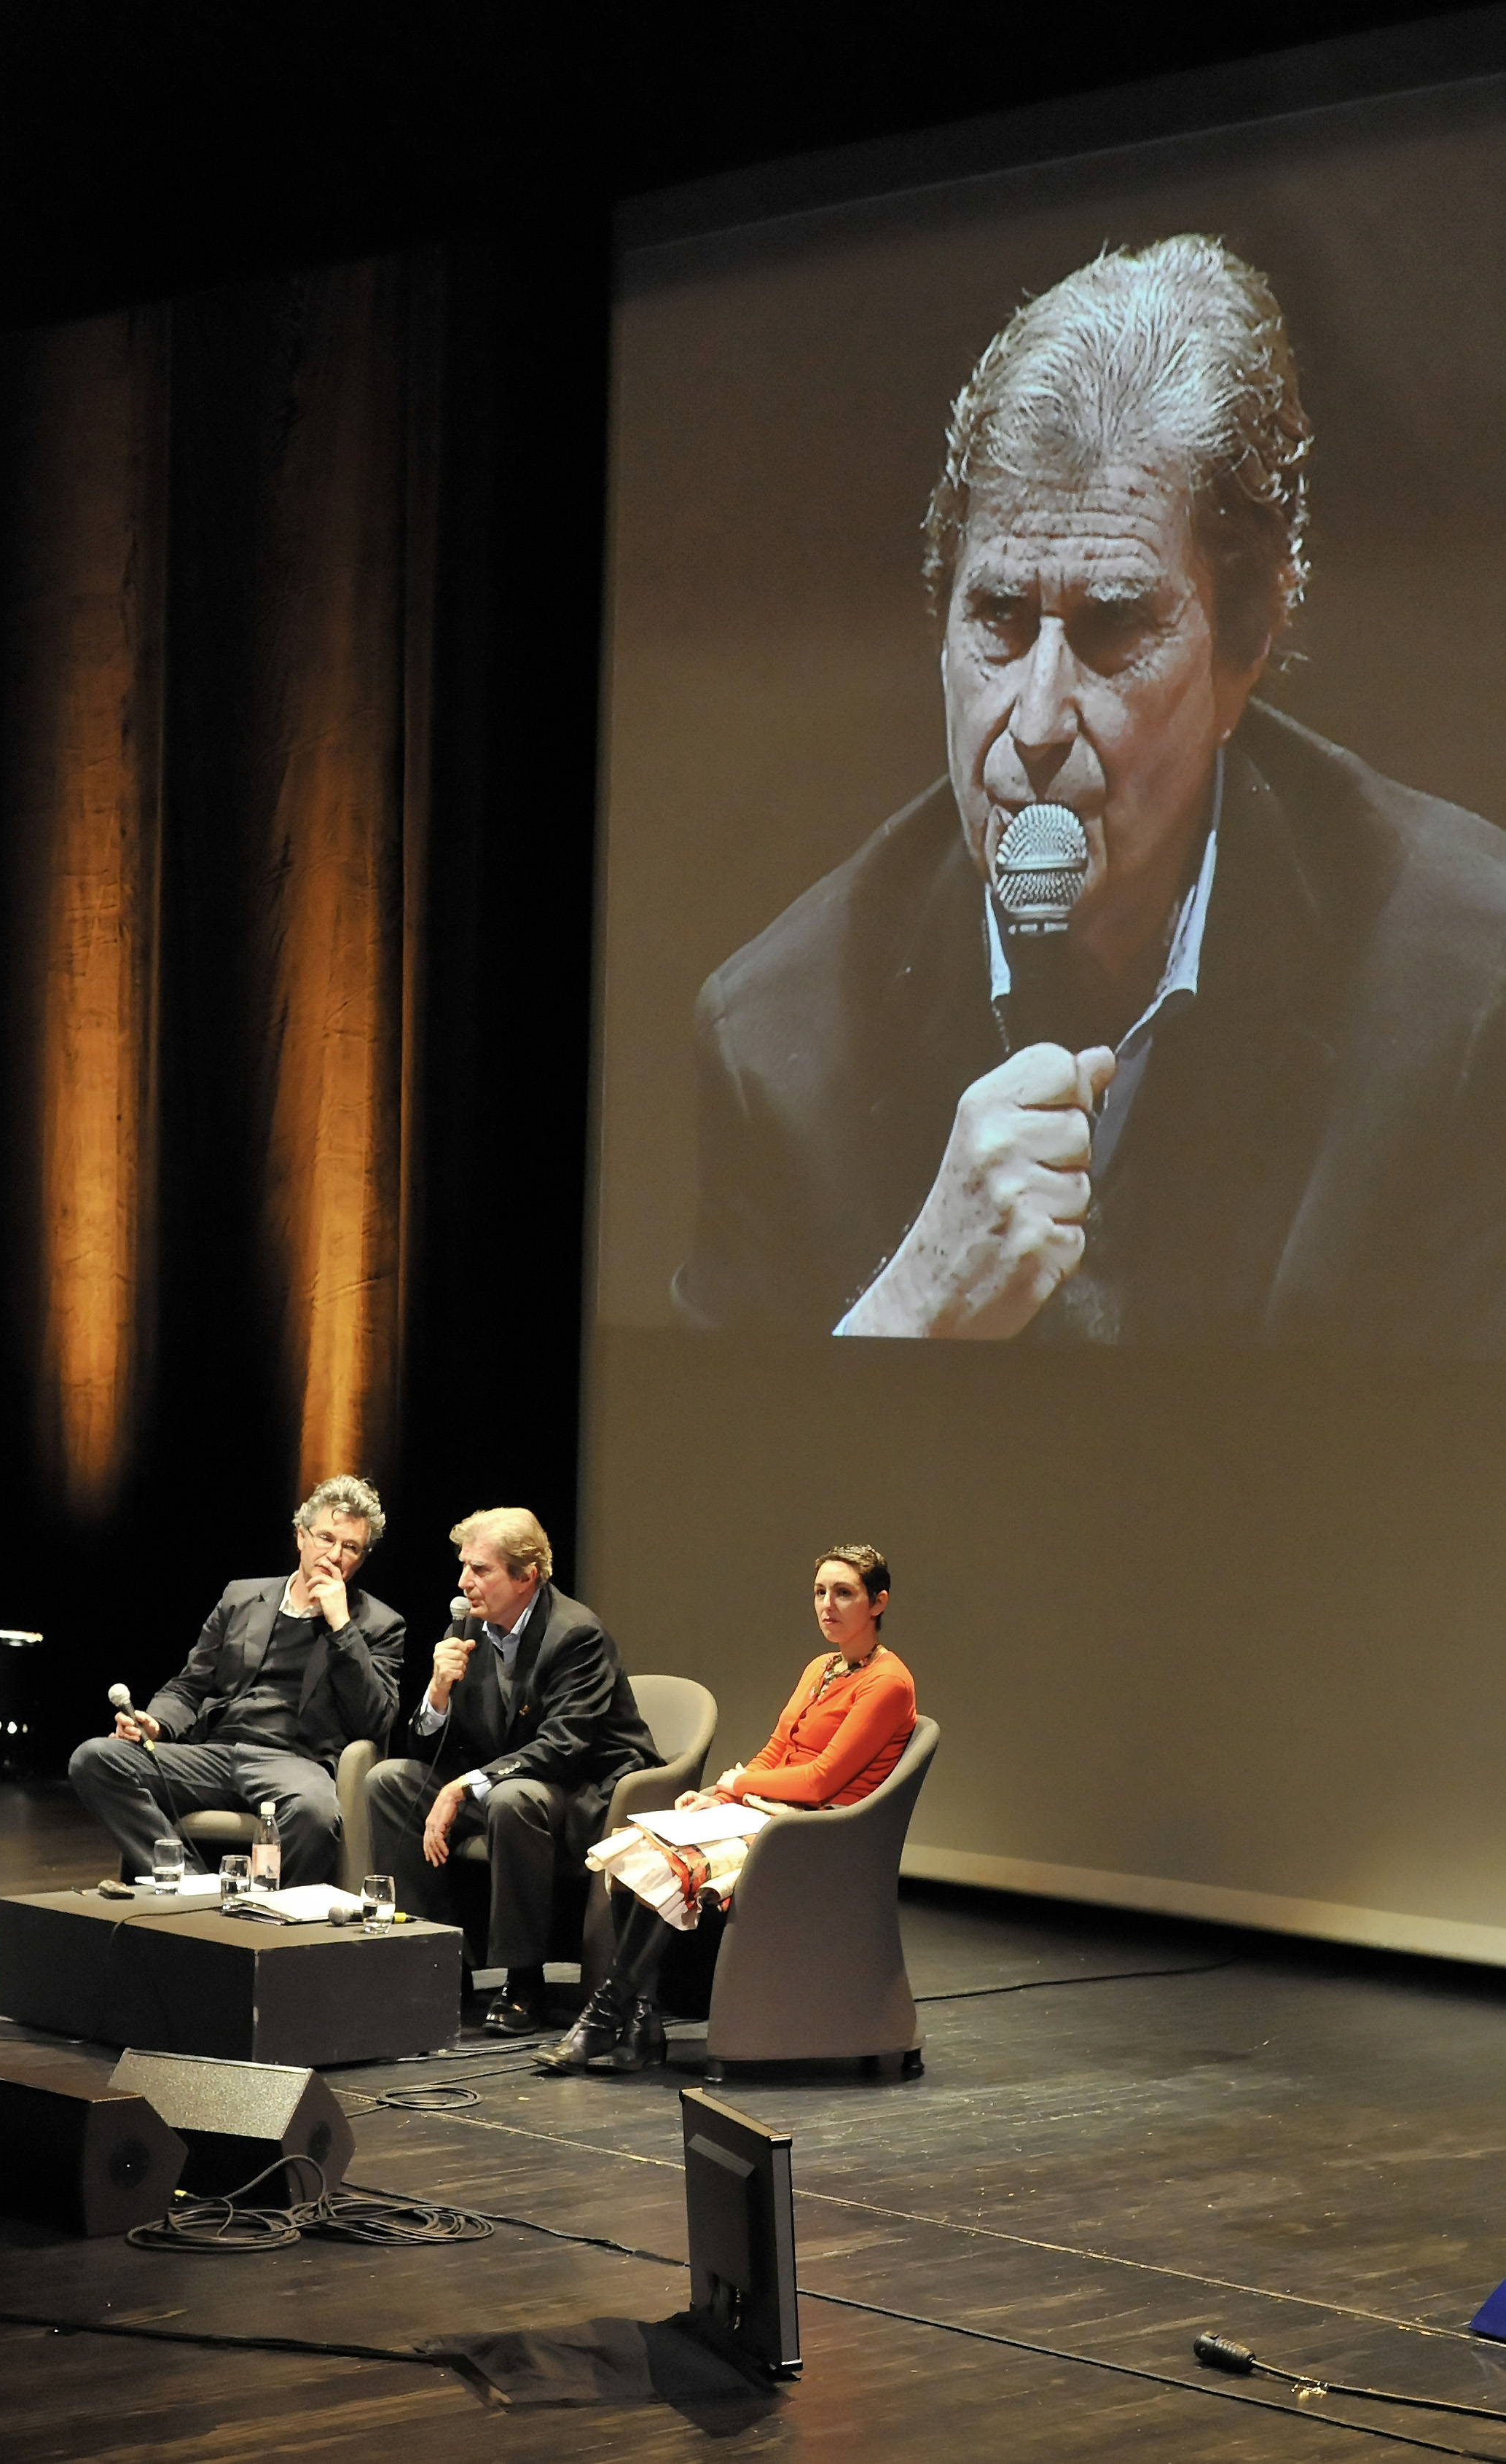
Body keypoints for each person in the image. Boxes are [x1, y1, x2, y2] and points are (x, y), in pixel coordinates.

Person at [676, 235, 1506, 1354]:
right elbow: (721, 1509)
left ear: (1244, 645)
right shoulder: (777, 1039)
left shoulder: (1466, 989)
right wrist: (910, 1312)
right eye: (998, 620)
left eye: (1111, 623)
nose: (1031, 722)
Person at [537, 1545, 915, 2076]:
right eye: (820, 1592)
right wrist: (721, 1791)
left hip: (814, 1833)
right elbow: (776, 1748)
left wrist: (744, 1783)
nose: (827, 1605)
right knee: (637, 1850)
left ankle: (603, 2018)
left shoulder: (888, 1681)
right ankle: (642, 2023)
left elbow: (821, 1778)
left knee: (670, 1866)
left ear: (878, 1603)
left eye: (844, 1593)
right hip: (767, 1811)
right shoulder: (822, 1668)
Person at [363, 1508, 659, 2035]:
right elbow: (429, 1748)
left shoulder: (576, 1634)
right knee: (389, 1782)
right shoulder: (470, 1630)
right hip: (513, 1777)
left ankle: (524, 1980)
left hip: (585, 1789)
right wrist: (436, 1692)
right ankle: (434, 1961)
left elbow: (564, 1746)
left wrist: (465, 1784)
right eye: (463, 1567)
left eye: (480, 1570)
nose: (463, 1583)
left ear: (526, 1575)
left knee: (511, 1798)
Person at [68, 1474, 404, 1888]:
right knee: (96, 1759)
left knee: (315, 1814)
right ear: (301, 1536)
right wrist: (154, 1722)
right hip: (217, 1753)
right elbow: (189, 1686)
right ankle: (192, 1885)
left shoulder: (379, 1625)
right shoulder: (241, 1598)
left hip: (294, 1764)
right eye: (325, 1538)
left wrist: (341, 1627)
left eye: (350, 1547)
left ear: (362, 1558)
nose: (334, 1555)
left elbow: (376, 1720)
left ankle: (274, 1920)